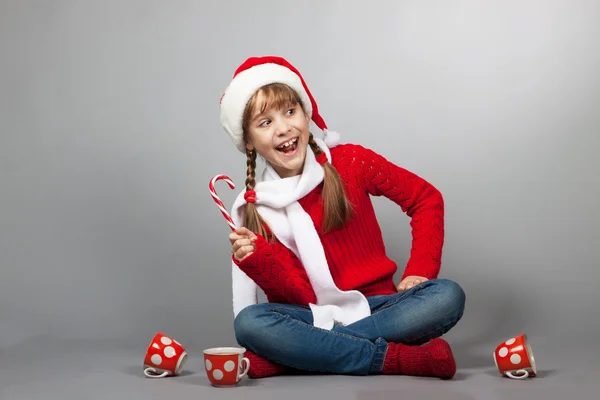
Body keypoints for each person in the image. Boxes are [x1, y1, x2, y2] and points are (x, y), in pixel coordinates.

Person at [218, 56, 466, 380]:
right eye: (265, 123)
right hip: (314, 316)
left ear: (306, 114)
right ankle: (394, 359)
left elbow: (425, 199)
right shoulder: (257, 210)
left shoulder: (351, 163)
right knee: (250, 323)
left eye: (290, 112)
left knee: (446, 296)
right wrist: (259, 260)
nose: (283, 128)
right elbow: (301, 298)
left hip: (381, 307)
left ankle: (298, 357)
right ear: (249, 140)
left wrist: (420, 270)